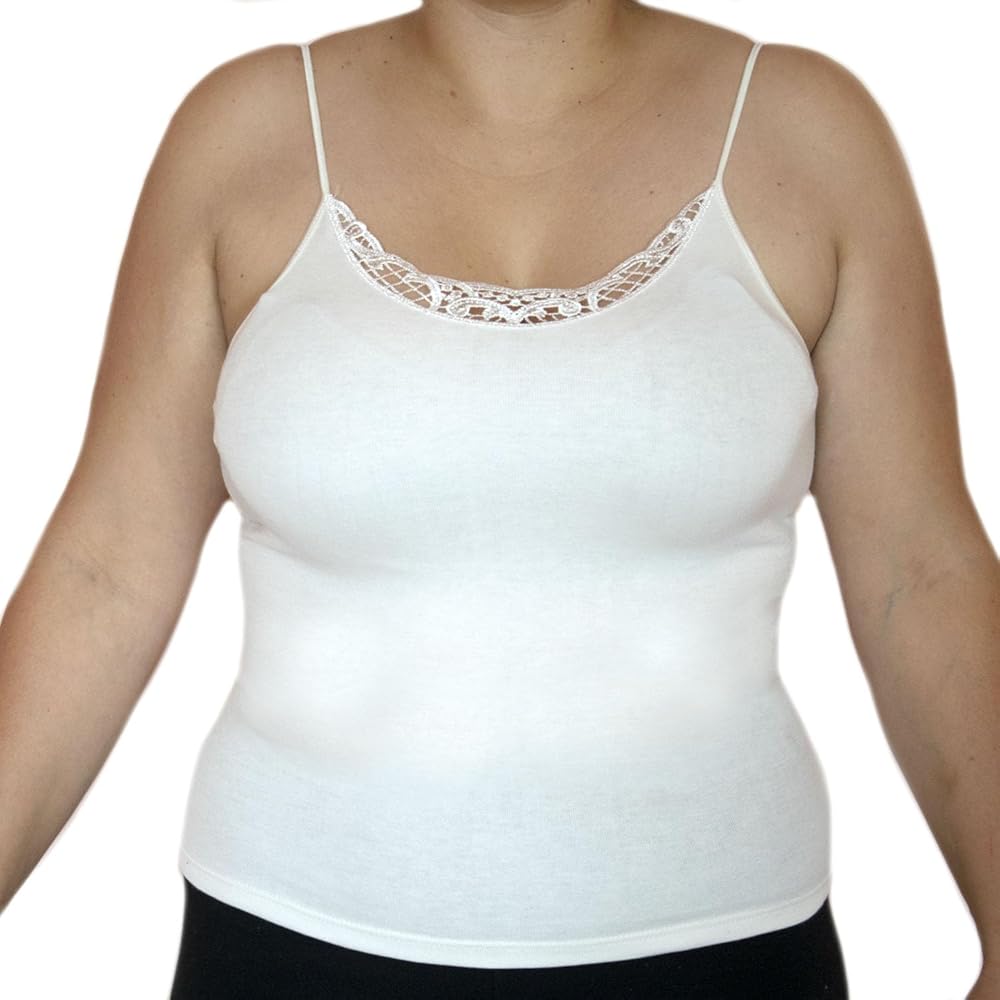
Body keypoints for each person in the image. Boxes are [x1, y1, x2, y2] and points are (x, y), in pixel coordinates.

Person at [2, 2, 997, 998]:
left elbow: (920, 572)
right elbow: (107, 566)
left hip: (725, 945)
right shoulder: (242, 134)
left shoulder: (809, 133)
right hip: (286, 941)